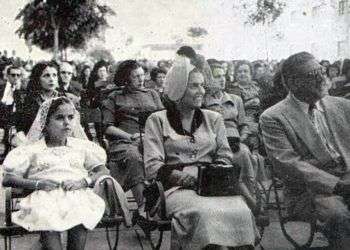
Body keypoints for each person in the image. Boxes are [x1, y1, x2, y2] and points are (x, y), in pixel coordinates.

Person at [144, 55, 257, 250]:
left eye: (203, 86)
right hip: (175, 189)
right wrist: (182, 177)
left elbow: (224, 154)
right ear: (178, 90)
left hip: (211, 185)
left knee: (240, 211)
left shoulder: (213, 118)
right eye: (194, 86)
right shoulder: (157, 120)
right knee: (205, 214)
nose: (202, 91)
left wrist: (213, 172)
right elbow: (152, 166)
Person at [260, 52, 350, 250]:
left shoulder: (343, 106)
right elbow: (289, 165)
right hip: (308, 192)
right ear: (292, 83)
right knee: (338, 215)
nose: (322, 77)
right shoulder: (273, 117)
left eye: (322, 71)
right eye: (313, 74)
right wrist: (337, 185)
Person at [2, 96, 109, 250]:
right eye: (59, 118)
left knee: (80, 221)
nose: (67, 122)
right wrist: (38, 184)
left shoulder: (81, 147)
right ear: (45, 124)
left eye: (71, 117)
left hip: (76, 196)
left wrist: (84, 181)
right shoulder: (33, 149)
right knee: (50, 232)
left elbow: (103, 170)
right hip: (45, 199)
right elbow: (8, 179)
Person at [101, 60, 164, 231]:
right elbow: (108, 127)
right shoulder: (114, 97)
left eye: (142, 75)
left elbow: (163, 120)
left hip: (151, 139)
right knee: (135, 156)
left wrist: (150, 136)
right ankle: (144, 209)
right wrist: (130, 136)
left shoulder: (152, 94)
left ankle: (161, 204)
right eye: (136, 76)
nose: (141, 79)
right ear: (125, 79)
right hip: (124, 141)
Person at [203, 63, 266, 212]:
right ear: (209, 79)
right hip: (215, 142)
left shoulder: (235, 99)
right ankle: (251, 202)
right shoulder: (204, 101)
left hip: (236, 139)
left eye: (223, 76)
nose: (221, 80)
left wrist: (242, 138)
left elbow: (243, 124)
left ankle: (251, 196)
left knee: (243, 152)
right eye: (217, 77)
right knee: (236, 157)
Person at [234, 60, 262, 152]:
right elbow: (233, 109)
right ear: (236, 74)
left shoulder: (257, 87)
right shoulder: (232, 89)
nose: (242, 74)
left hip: (258, 119)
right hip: (242, 121)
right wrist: (249, 103)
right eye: (239, 71)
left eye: (245, 71)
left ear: (251, 74)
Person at [86, 60, 111, 147]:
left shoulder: (110, 82)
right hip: (97, 108)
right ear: (97, 72)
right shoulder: (93, 83)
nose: (102, 73)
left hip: (108, 108)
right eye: (100, 71)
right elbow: (90, 97)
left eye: (104, 71)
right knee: (99, 130)